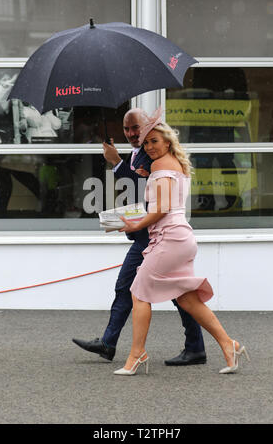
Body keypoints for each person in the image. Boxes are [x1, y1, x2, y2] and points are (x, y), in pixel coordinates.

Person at [113, 107, 250, 376]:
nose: (150, 147)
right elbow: (167, 197)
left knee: (138, 292)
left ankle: (137, 354)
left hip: (169, 237)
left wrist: (133, 224)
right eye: (146, 142)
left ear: (167, 141)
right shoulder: (173, 164)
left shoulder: (161, 166)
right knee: (188, 300)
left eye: (155, 141)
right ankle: (229, 345)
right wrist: (148, 177)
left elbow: (161, 208)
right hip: (180, 238)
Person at [72, 108, 207, 366]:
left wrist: (117, 162)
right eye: (127, 129)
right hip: (150, 232)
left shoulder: (154, 153)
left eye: (137, 128)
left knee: (173, 293)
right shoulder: (141, 151)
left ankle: (193, 346)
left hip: (159, 235)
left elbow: (145, 187)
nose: (133, 134)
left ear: (151, 128)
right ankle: (111, 343)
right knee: (143, 289)